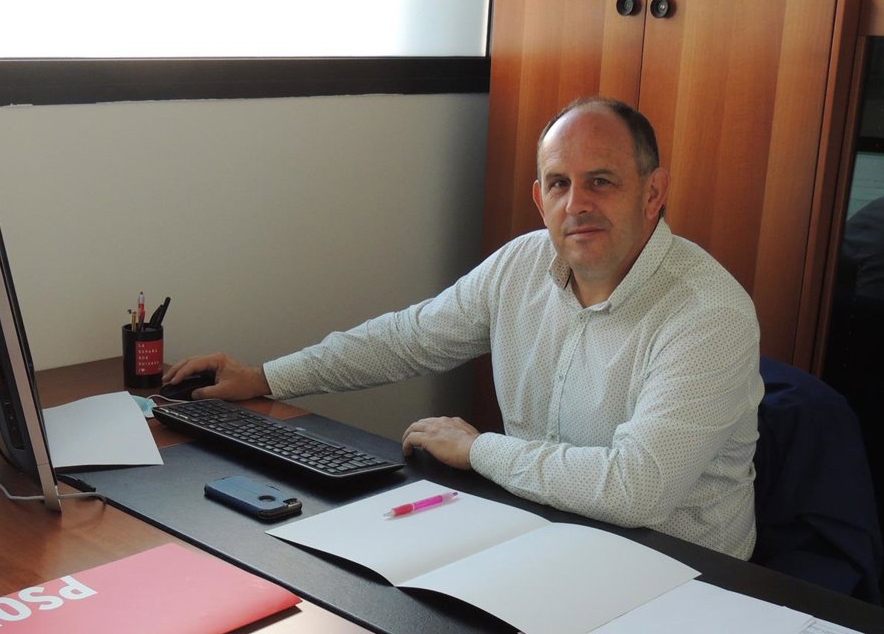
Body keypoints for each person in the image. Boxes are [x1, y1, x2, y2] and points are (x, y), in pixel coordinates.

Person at [164, 97, 764, 559]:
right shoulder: (522, 264)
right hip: (541, 533)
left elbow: (636, 490)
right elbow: (407, 339)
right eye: (560, 184)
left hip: (677, 573)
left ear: (653, 193)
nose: (577, 203)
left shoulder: (708, 315)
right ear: (540, 199)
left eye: (601, 181)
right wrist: (264, 377)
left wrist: (478, 450)